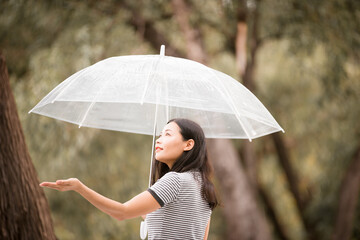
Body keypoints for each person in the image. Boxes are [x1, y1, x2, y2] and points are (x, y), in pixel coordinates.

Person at [40, 118, 219, 240]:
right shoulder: (203, 186)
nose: (159, 140)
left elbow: (122, 212)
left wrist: (79, 187)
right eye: (160, 134)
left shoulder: (175, 181)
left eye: (168, 134)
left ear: (189, 144)